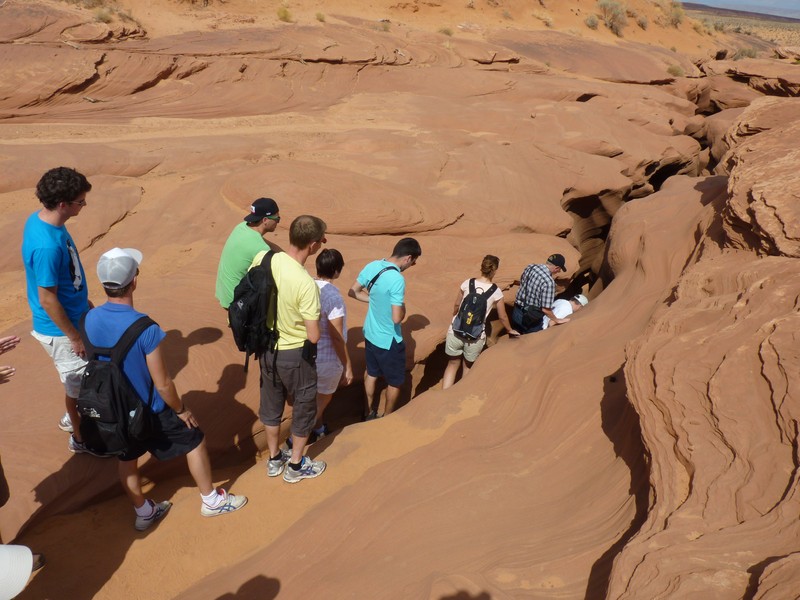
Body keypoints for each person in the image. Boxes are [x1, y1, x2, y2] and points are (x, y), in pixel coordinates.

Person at [84, 248, 247, 529]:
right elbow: (163, 383)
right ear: (134, 281)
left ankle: (143, 512)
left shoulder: (89, 318)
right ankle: (211, 500)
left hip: (115, 409)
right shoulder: (145, 328)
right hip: (150, 408)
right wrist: (181, 410)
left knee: (128, 458)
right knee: (194, 440)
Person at [21, 167, 98, 455]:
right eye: (80, 201)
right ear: (63, 204)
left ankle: (74, 416)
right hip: (61, 332)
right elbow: (48, 299)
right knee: (77, 387)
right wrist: (74, 337)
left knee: (83, 380)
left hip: (73, 316)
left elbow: (64, 279)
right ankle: (79, 438)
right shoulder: (47, 246)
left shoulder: (41, 220)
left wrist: (82, 302)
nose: (84, 205)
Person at [252, 215, 327, 484]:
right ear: (313, 244)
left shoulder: (265, 259)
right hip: (295, 354)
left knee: (271, 405)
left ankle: (274, 459)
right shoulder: (306, 284)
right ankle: (296, 465)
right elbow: (313, 335)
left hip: (266, 349)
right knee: (304, 407)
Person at [349, 237, 422, 419]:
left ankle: (368, 412)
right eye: (413, 261)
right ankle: (387, 418)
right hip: (389, 340)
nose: (412, 265)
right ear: (408, 258)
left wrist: (373, 300)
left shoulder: (373, 266)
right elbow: (397, 318)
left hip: (370, 333)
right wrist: (403, 308)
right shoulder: (397, 279)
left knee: (371, 373)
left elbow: (353, 291)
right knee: (395, 381)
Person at [442, 255, 519, 390]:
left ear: (482, 267)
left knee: (452, 364)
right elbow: (502, 316)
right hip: (474, 336)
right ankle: (458, 395)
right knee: (467, 367)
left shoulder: (468, 283)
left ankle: (444, 394)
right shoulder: (496, 291)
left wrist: (455, 316)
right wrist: (509, 330)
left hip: (456, 330)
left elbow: (457, 304)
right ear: (494, 270)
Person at [311, 249, 353, 439]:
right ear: (336, 271)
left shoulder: (308, 287)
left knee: (312, 400)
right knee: (322, 399)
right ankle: (292, 442)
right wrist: (347, 365)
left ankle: (318, 430)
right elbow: (336, 335)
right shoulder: (333, 297)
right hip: (326, 359)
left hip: (306, 355)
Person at [215, 197, 281, 310]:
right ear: (265, 220)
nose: (278, 222)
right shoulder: (260, 248)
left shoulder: (242, 227)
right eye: (277, 218)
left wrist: (285, 255)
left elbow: (268, 245)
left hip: (224, 293)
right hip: (236, 303)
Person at [511, 253, 570, 335]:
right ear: (556, 267)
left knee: (516, 336)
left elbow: (522, 282)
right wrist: (557, 320)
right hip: (531, 318)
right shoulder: (549, 282)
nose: (559, 272)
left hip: (516, 312)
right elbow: (545, 309)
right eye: (559, 269)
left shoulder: (530, 267)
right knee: (534, 340)